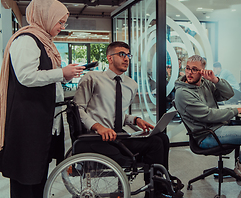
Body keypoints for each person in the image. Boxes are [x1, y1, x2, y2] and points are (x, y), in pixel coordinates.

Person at [0, 0, 84, 198]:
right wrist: (61, 73)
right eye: (60, 21)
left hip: (41, 120)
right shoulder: (27, 40)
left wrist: (62, 77)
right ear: (45, 16)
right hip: (27, 122)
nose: (62, 26)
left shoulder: (44, 41)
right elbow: (26, 76)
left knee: (37, 174)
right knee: (26, 177)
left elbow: (44, 79)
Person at [73, 41, 177, 198]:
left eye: (128, 55)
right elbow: (78, 109)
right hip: (97, 138)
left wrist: (135, 120)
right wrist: (98, 127)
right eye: (122, 54)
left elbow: (119, 114)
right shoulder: (92, 78)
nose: (126, 58)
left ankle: (158, 188)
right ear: (109, 58)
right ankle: (158, 189)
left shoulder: (131, 84)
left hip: (118, 135)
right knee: (154, 144)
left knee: (161, 138)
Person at [174, 55, 241, 187]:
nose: (189, 72)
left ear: (202, 71)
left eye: (194, 69)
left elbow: (229, 94)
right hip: (206, 135)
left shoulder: (206, 84)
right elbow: (208, 115)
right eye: (187, 68)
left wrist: (215, 80)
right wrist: (238, 110)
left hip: (220, 126)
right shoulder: (182, 93)